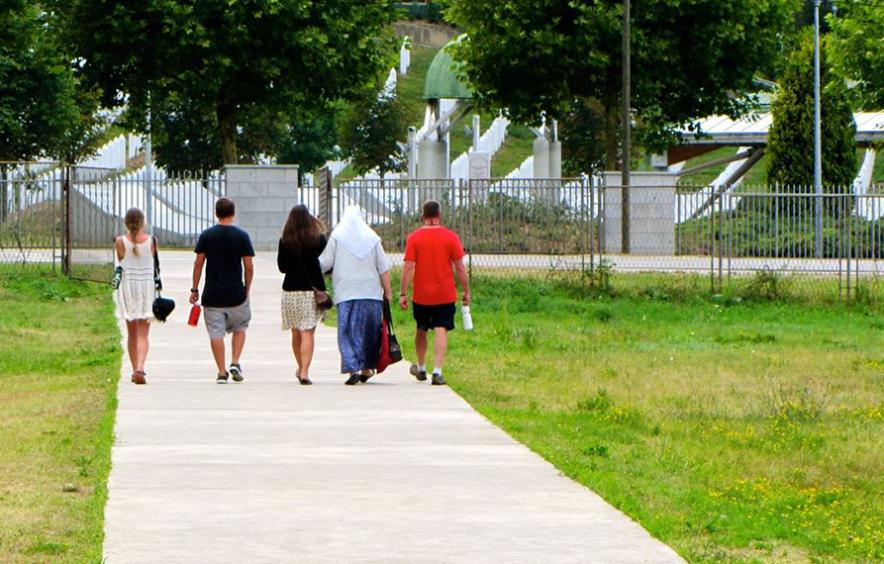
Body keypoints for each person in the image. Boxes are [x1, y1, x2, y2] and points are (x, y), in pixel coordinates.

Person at [399, 200, 471, 386]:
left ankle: (421, 367)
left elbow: (408, 267)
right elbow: (460, 268)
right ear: (440, 215)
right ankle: (437, 372)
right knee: (441, 329)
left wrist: (403, 293)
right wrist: (466, 291)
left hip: (422, 294)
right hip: (445, 294)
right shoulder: (451, 237)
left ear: (423, 216)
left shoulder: (414, 237)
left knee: (421, 328)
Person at [319, 206, 393, 385]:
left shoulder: (338, 236)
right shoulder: (372, 238)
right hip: (371, 294)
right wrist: (388, 291)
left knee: (346, 332)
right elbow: (383, 267)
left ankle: (352, 368)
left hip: (346, 293)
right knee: (369, 333)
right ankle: (367, 368)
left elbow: (325, 262)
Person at [190, 197, 255, 384]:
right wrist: (247, 288)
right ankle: (235, 361)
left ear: (216, 213)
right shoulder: (242, 236)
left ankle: (221, 371)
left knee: (216, 333)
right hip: (236, 293)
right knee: (240, 327)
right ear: (233, 214)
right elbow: (249, 266)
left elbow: (198, 263)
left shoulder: (207, 235)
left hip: (212, 294)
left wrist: (194, 288)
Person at [277, 205, 328, 385]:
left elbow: (282, 267)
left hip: (290, 291)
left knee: (296, 333)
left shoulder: (285, 240)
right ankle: (305, 371)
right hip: (310, 291)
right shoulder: (319, 240)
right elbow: (326, 264)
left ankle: (300, 366)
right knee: (308, 333)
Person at [114, 208, 156, 385]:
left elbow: (121, 260)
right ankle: (140, 366)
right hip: (146, 285)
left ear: (126, 222)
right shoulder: (152, 241)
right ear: (142, 221)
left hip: (128, 286)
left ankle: (134, 370)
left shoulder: (120, 241)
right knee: (144, 333)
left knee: (132, 332)